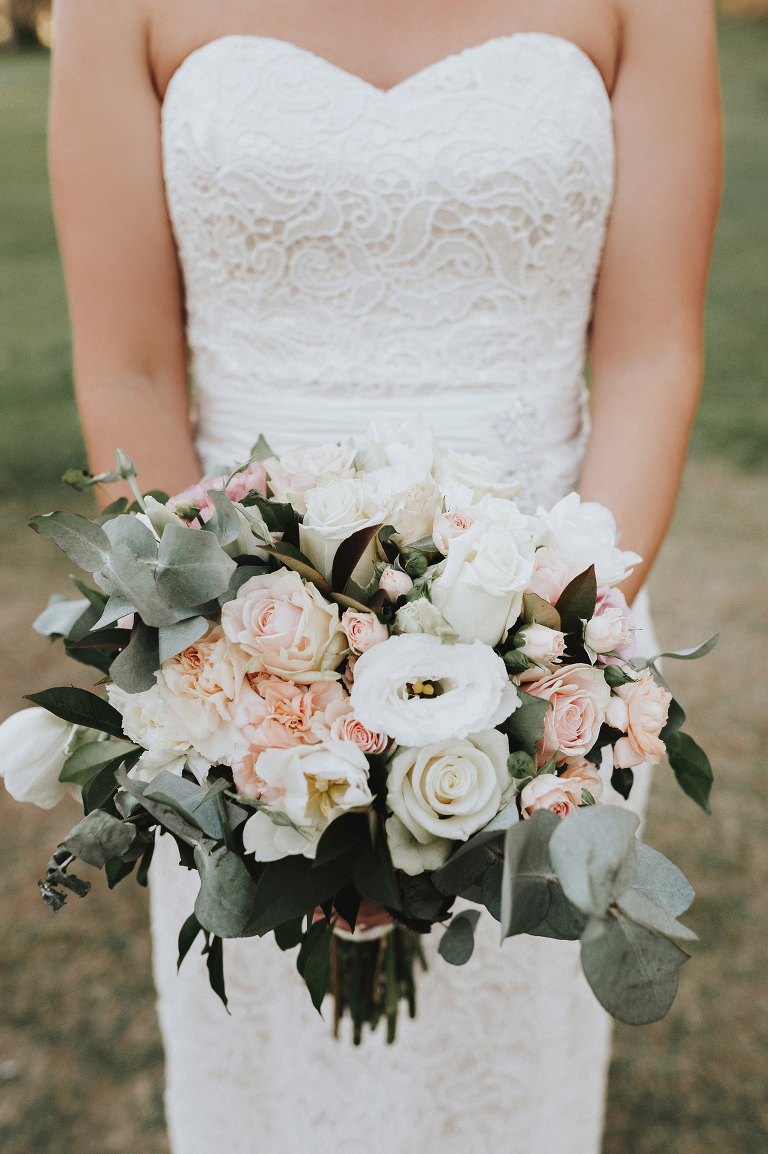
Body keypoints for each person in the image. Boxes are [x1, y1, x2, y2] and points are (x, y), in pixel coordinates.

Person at [48, 1, 722, 1151]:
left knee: (510, 1058)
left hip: (556, 623)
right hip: (238, 641)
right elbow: (131, 368)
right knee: (270, 1061)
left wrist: (566, 637)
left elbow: (652, 348)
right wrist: (227, 665)